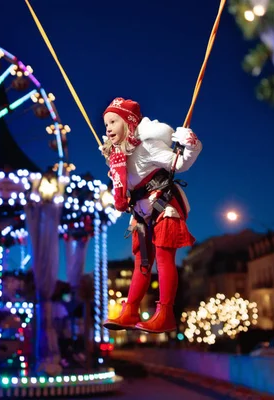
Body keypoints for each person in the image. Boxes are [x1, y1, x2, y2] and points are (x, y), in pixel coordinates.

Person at [100, 97, 202, 333]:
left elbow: (180, 163)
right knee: (142, 263)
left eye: (113, 121)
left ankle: (165, 313)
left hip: (163, 206)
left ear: (128, 122)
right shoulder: (117, 155)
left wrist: (192, 145)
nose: (108, 128)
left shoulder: (147, 146)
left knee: (165, 259)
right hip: (140, 211)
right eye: (106, 124)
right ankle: (131, 310)